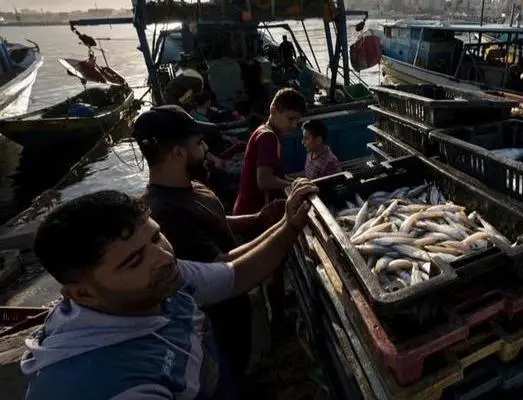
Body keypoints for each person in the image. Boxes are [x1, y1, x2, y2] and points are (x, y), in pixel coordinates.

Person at [21, 181, 317, 399]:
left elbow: (236, 275)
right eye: (134, 261)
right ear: (83, 294)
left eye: (157, 237)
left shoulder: (159, 281)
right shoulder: (111, 385)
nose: (164, 257)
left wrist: (288, 226)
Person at [131, 105, 284, 386]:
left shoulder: (192, 187)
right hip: (215, 329)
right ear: (178, 153)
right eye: (199, 143)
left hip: (236, 312)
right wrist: (286, 229)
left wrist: (258, 218)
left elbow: (215, 219)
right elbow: (222, 266)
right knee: (228, 381)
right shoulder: (164, 213)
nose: (205, 150)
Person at [233, 88, 305, 333]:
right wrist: (293, 185)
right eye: (290, 118)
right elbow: (264, 180)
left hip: (249, 209)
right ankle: (278, 322)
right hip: (256, 213)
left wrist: (287, 180)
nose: (294, 125)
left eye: (297, 120)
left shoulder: (262, 132)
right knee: (272, 267)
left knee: (268, 269)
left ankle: (275, 315)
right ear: (274, 111)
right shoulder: (268, 138)